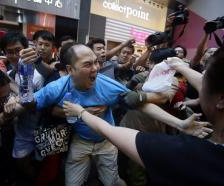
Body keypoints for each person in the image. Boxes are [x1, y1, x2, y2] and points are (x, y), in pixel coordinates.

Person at [29, 43, 211, 186]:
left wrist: (179, 124)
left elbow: (139, 104)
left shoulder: (106, 84)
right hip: (80, 142)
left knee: (113, 182)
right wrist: (13, 103)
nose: (95, 68)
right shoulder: (57, 87)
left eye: (96, 62)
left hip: (107, 142)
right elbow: (29, 102)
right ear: (70, 70)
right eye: (87, 64)